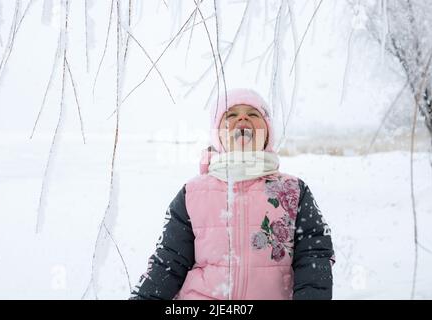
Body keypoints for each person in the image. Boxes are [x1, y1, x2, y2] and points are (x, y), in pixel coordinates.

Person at [130, 88, 335, 300]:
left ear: (267, 132)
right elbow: (169, 262)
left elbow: (314, 255)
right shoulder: (192, 193)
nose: (243, 118)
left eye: (253, 114)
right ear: (218, 134)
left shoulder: (293, 190)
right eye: (231, 115)